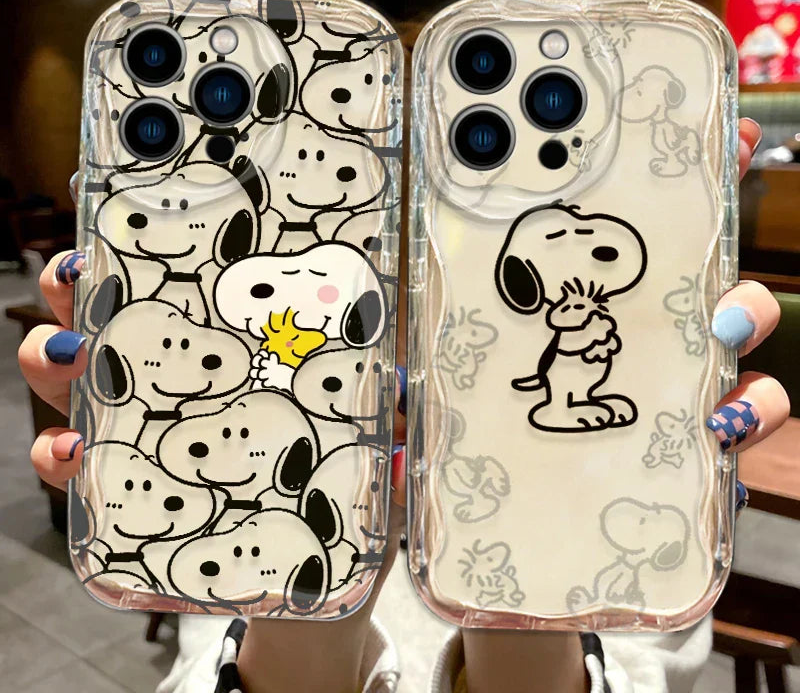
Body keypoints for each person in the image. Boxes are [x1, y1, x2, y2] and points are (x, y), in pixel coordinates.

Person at [18, 118, 790, 693]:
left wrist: (518, 558)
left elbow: (649, 669)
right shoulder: (259, 438)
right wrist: (312, 580)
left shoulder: (612, 484)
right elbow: (202, 663)